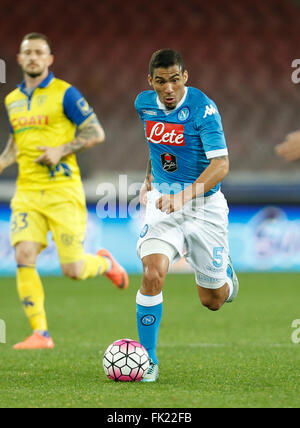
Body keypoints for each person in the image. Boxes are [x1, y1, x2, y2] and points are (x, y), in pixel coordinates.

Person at [0, 33, 129, 350]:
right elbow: (16, 142)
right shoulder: (12, 100)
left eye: (39, 52)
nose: (33, 57)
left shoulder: (65, 94)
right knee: (23, 254)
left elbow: (95, 132)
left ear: (49, 59)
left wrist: (61, 149)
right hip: (27, 192)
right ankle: (41, 334)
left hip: (63, 191)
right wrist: (2, 162)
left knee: (72, 269)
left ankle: (105, 264)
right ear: (19, 59)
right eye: (27, 52)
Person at [135, 49, 239, 382]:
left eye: (175, 80)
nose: (169, 89)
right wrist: (148, 179)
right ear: (150, 81)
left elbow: (221, 165)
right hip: (164, 203)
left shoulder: (203, 109)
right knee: (153, 273)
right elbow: (157, 147)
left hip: (204, 207)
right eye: (161, 81)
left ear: (185, 77)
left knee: (213, 300)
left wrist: (184, 195)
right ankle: (148, 360)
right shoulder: (143, 104)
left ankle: (225, 278)